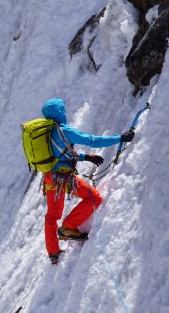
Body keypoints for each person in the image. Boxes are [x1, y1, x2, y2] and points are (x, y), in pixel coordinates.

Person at [40, 98, 134, 264]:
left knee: (52, 216)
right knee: (93, 197)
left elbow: (58, 155)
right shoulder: (64, 131)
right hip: (64, 179)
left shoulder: (45, 133)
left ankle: (53, 254)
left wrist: (85, 157)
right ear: (60, 112)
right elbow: (92, 140)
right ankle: (68, 227)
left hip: (50, 178)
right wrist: (120, 138)